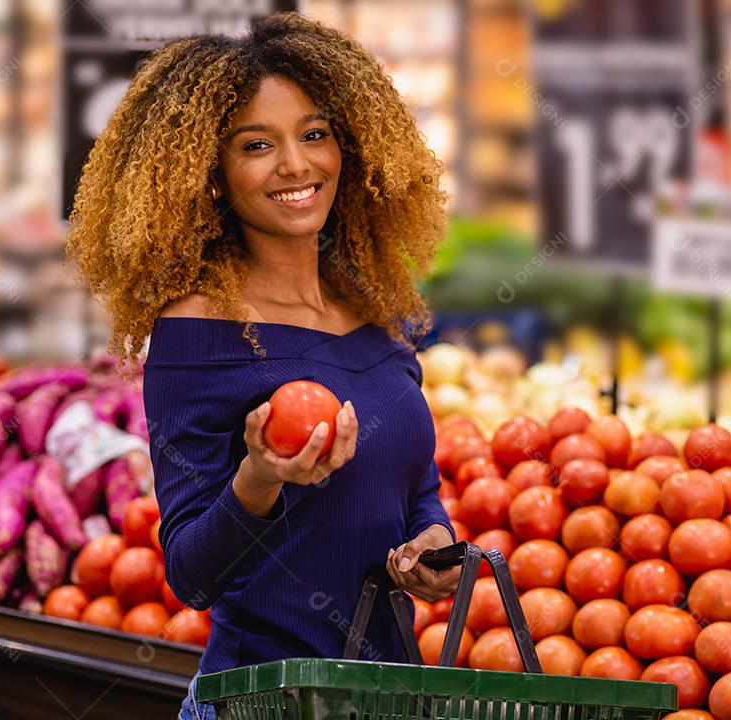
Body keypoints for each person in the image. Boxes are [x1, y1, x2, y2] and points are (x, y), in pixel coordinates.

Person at [66, 13, 458, 719]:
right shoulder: (198, 331)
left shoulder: (372, 309)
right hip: (264, 703)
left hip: (390, 703)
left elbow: (418, 489)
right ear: (211, 176)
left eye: (314, 134)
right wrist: (259, 476)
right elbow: (191, 575)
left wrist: (431, 545)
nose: (297, 165)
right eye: (257, 145)